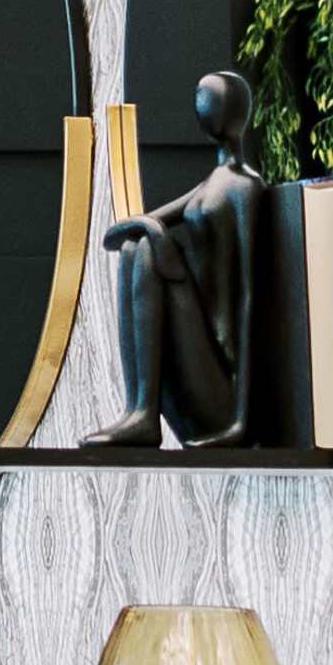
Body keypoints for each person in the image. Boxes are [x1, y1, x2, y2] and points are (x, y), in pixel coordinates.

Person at [86, 71, 263, 448]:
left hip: (221, 380)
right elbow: (114, 237)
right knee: (140, 245)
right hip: (194, 365)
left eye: (210, 97)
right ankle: (139, 410)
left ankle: (144, 413)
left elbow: (251, 298)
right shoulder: (210, 185)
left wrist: (242, 424)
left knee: (146, 245)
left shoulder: (244, 187)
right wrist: (157, 232)